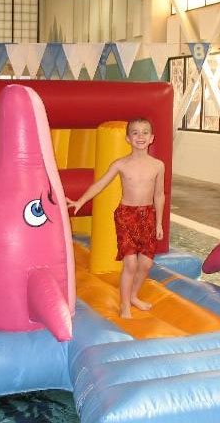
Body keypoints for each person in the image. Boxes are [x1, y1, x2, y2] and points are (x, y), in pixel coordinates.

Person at [67, 118, 165, 319]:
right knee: (130, 263)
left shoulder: (157, 166)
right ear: (128, 139)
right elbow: (99, 184)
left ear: (152, 138)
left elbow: (159, 195)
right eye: (135, 133)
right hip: (126, 215)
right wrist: (80, 201)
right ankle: (124, 305)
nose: (140, 136)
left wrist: (159, 222)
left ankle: (134, 296)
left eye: (145, 132)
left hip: (148, 215)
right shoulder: (121, 164)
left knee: (145, 264)